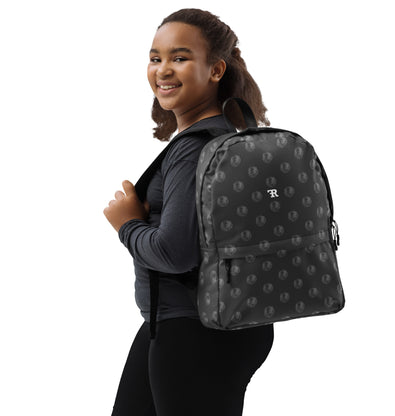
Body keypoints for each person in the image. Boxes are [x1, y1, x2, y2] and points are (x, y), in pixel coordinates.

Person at [103, 8, 274, 416]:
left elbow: (175, 252)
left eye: (179, 58)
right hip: (208, 323)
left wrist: (127, 224)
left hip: (194, 331)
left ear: (216, 70)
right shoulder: (229, 140)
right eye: (155, 57)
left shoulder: (194, 148)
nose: (163, 70)